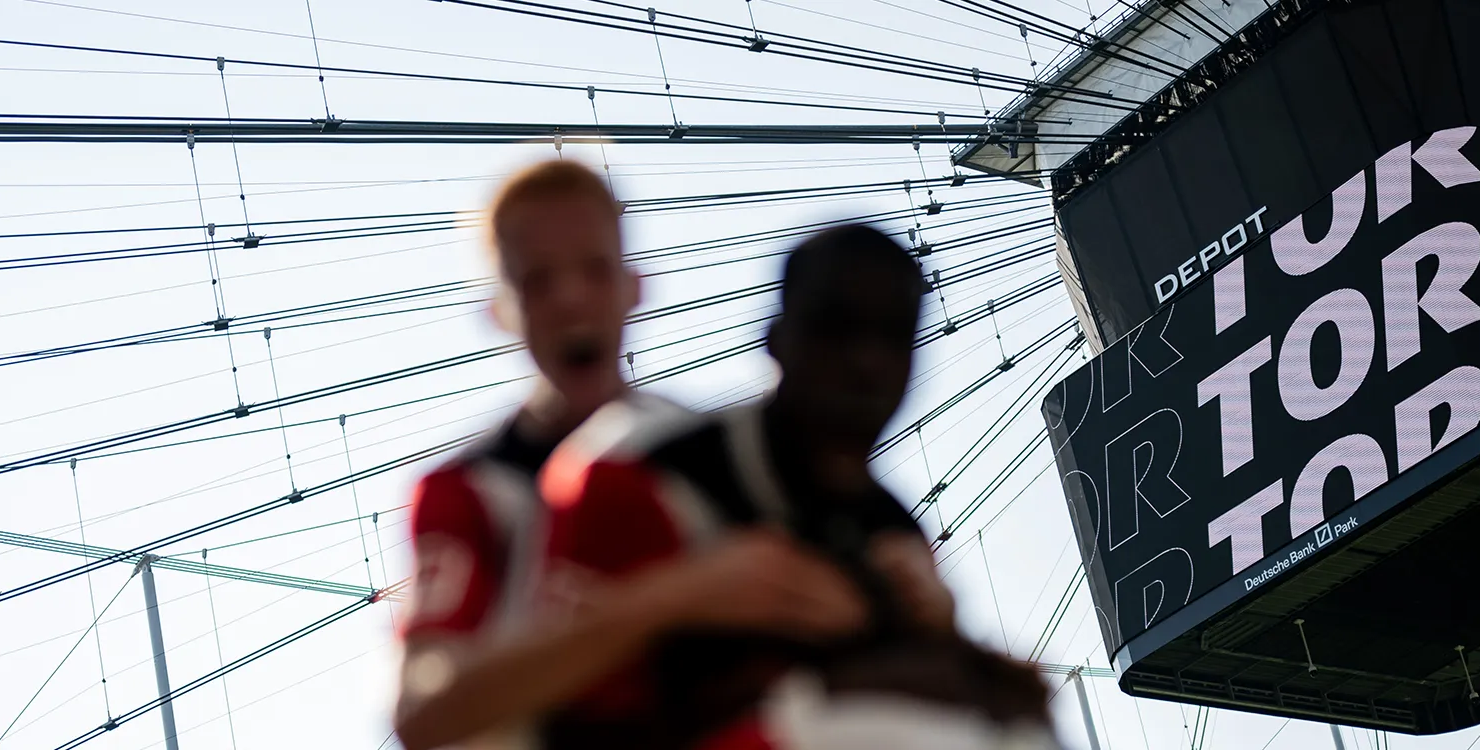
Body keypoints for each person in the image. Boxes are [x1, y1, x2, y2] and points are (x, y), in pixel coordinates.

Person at [394, 161, 870, 750]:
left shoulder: (718, 453)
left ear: (633, 286)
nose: (571, 299)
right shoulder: (467, 488)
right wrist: (673, 597)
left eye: (595, 270)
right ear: (500, 310)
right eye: (537, 281)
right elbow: (423, 709)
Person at [536, 224, 1046, 750]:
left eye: (894, 336)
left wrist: (947, 641)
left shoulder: (891, 529)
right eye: (838, 328)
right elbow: (558, 705)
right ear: (777, 340)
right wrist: (691, 599)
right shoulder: (651, 480)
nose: (867, 363)